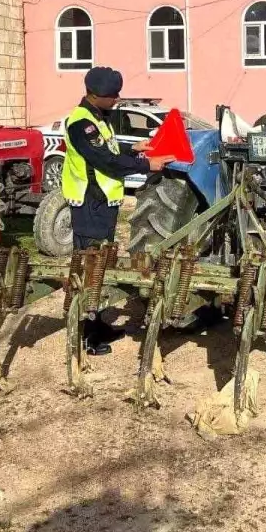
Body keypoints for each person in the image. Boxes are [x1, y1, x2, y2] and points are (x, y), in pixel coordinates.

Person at [62, 67, 174, 355]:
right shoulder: (81, 124)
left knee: (103, 265)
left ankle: (98, 327)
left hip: (104, 205)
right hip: (90, 205)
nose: (117, 99)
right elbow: (104, 162)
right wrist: (146, 164)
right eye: (112, 96)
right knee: (91, 269)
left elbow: (111, 153)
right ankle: (88, 338)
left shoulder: (99, 119)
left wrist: (135, 150)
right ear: (95, 95)